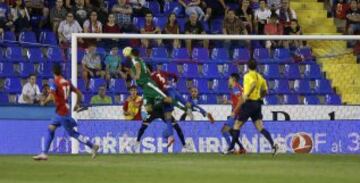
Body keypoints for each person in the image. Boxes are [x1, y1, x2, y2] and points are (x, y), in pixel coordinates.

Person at [122, 47, 191, 152]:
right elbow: (139, 68)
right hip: (154, 108)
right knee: (145, 122)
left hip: (162, 109)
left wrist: (137, 75)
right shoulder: (149, 76)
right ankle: (137, 142)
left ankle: (185, 145)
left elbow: (138, 66)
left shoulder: (150, 79)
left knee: (174, 121)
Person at [32, 64, 99, 161]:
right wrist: (77, 104)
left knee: (71, 133)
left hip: (61, 112)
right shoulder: (67, 82)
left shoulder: (54, 82)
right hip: (63, 110)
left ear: (53, 72)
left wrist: (44, 102)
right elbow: (79, 93)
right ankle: (44, 153)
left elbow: (51, 96)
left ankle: (92, 146)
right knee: (51, 128)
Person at [225, 60, 279, 156]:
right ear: (256, 66)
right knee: (260, 127)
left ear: (248, 66)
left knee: (236, 126)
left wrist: (247, 94)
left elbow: (253, 84)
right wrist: (261, 97)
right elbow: (265, 90)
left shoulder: (247, 76)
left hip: (249, 103)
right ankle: (273, 145)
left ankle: (230, 148)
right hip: (257, 104)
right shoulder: (260, 77)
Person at [222, 73, 246, 154]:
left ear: (233, 79)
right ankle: (241, 148)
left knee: (224, 130)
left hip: (237, 113)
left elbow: (241, 101)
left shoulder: (235, 87)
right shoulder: (237, 87)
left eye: (229, 79)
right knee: (231, 131)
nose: (228, 81)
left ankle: (231, 149)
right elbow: (237, 101)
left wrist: (234, 112)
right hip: (239, 112)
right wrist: (228, 101)